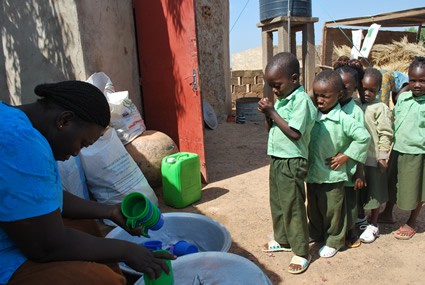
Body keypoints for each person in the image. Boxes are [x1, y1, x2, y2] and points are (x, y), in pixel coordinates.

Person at [0, 80, 175, 284]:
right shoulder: (21, 146)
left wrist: (110, 211)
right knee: (104, 281)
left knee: (85, 225)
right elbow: (46, 247)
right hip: (8, 257)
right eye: (82, 143)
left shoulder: (11, 118)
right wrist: (126, 251)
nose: (76, 152)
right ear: (64, 121)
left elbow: (40, 196)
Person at [258, 52, 317, 274]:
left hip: (293, 161)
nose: (274, 89)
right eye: (270, 85)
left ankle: (302, 251)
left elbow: (294, 133)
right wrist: (268, 115)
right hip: (278, 158)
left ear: (294, 79)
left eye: (277, 84)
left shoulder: (301, 100)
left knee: (292, 206)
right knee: (279, 203)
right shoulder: (284, 99)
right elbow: (274, 129)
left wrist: (272, 112)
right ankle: (283, 240)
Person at [307, 70, 370, 258]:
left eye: (325, 96)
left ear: (339, 95)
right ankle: (317, 233)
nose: (319, 100)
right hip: (313, 173)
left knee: (333, 211)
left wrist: (345, 155)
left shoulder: (344, 119)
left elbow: (363, 137)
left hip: (333, 175)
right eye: (316, 95)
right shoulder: (313, 115)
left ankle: (334, 240)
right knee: (314, 207)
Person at [357, 68, 393, 243]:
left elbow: (386, 133)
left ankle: (374, 224)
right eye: (364, 89)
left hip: (374, 158)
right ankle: (362, 220)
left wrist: (383, 156)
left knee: (375, 192)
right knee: (361, 190)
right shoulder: (356, 105)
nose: (367, 93)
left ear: (379, 89)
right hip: (358, 159)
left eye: (372, 90)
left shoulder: (381, 108)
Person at [390, 57, 425, 240]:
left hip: (417, 152)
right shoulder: (403, 98)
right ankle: (388, 212)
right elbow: (395, 117)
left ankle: (411, 221)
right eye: (413, 80)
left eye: (422, 80)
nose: (417, 84)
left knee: (416, 189)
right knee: (392, 184)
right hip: (398, 149)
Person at [335, 65, 367, 248]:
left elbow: (363, 143)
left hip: (350, 166)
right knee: (336, 200)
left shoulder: (355, 111)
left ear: (355, 88)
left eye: (347, 86)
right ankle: (335, 230)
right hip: (333, 166)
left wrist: (360, 172)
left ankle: (351, 230)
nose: (342, 89)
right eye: (339, 84)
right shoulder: (329, 106)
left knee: (349, 202)